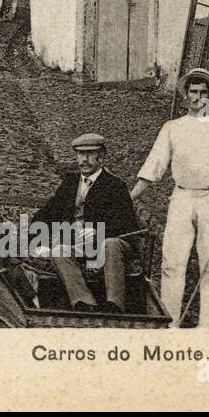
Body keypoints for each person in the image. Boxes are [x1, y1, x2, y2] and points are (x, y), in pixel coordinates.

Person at [131, 68, 209, 329]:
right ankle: (170, 324)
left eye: (203, 92)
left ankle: (208, 328)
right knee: (172, 262)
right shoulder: (173, 128)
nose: (198, 97)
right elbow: (154, 166)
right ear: (185, 95)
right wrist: (130, 195)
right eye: (193, 91)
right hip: (181, 197)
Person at [29, 133, 139, 312]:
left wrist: (99, 232)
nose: (84, 160)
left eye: (89, 154)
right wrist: (34, 241)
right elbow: (47, 213)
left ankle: (115, 306)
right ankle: (85, 304)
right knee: (59, 250)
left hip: (109, 243)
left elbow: (127, 224)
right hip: (79, 245)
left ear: (101, 156)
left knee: (110, 244)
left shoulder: (115, 186)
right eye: (80, 154)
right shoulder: (70, 183)